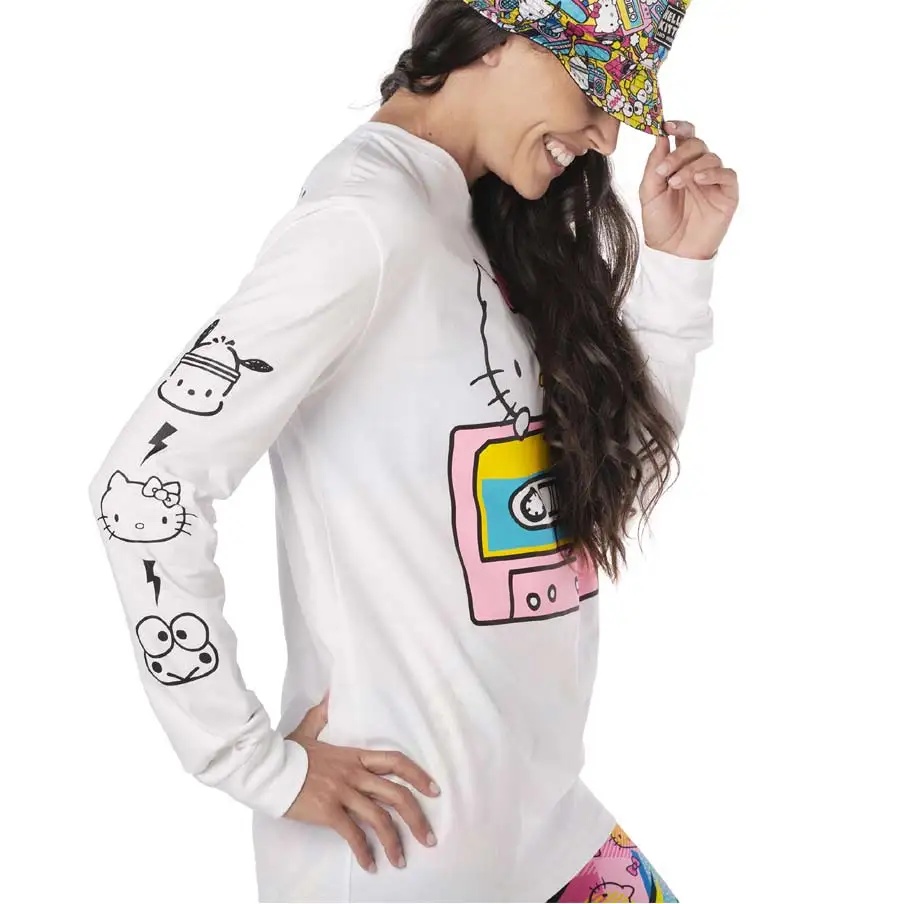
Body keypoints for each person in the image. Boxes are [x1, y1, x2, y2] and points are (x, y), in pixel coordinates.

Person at [87, 0, 738, 900]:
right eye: (594, 91)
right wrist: (247, 760)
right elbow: (143, 481)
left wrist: (678, 273)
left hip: (543, 824)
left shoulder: (480, 224)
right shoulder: (364, 222)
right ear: (499, 36)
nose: (604, 136)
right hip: (400, 851)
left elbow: (592, 500)